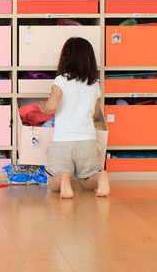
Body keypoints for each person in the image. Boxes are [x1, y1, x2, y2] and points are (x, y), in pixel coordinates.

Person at [39, 37, 109, 200]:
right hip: (87, 141)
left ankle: (63, 180)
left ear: (65, 59)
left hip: (63, 141)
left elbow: (51, 107)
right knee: (86, 180)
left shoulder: (61, 80)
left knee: (53, 182)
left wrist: (43, 107)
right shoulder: (94, 84)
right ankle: (100, 177)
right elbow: (95, 114)